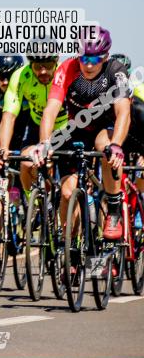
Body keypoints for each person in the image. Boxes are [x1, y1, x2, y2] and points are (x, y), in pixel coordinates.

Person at [31, 28, 131, 239]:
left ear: (105, 56)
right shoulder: (67, 68)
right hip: (76, 129)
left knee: (106, 147)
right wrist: (44, 143)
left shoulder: (116, 70)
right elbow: (51, 109)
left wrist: (117, 145)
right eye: (84, 57)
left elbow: (123, 112)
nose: (88, 64)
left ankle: (113, 209)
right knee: (67, 192)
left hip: (105, 127)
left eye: (95, 59)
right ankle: (70, 245)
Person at [0, 55, 67, 196]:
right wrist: (3, 148)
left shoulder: (66, 72)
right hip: (37, 125)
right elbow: (9, 115)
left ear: (56, 62)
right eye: (38, 66)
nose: (43, 71)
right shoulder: (21, 76)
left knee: (67, 189)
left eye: (48, 65)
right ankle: (34, 204)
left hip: (67, 127)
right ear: (30, 64)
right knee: (26, 162)